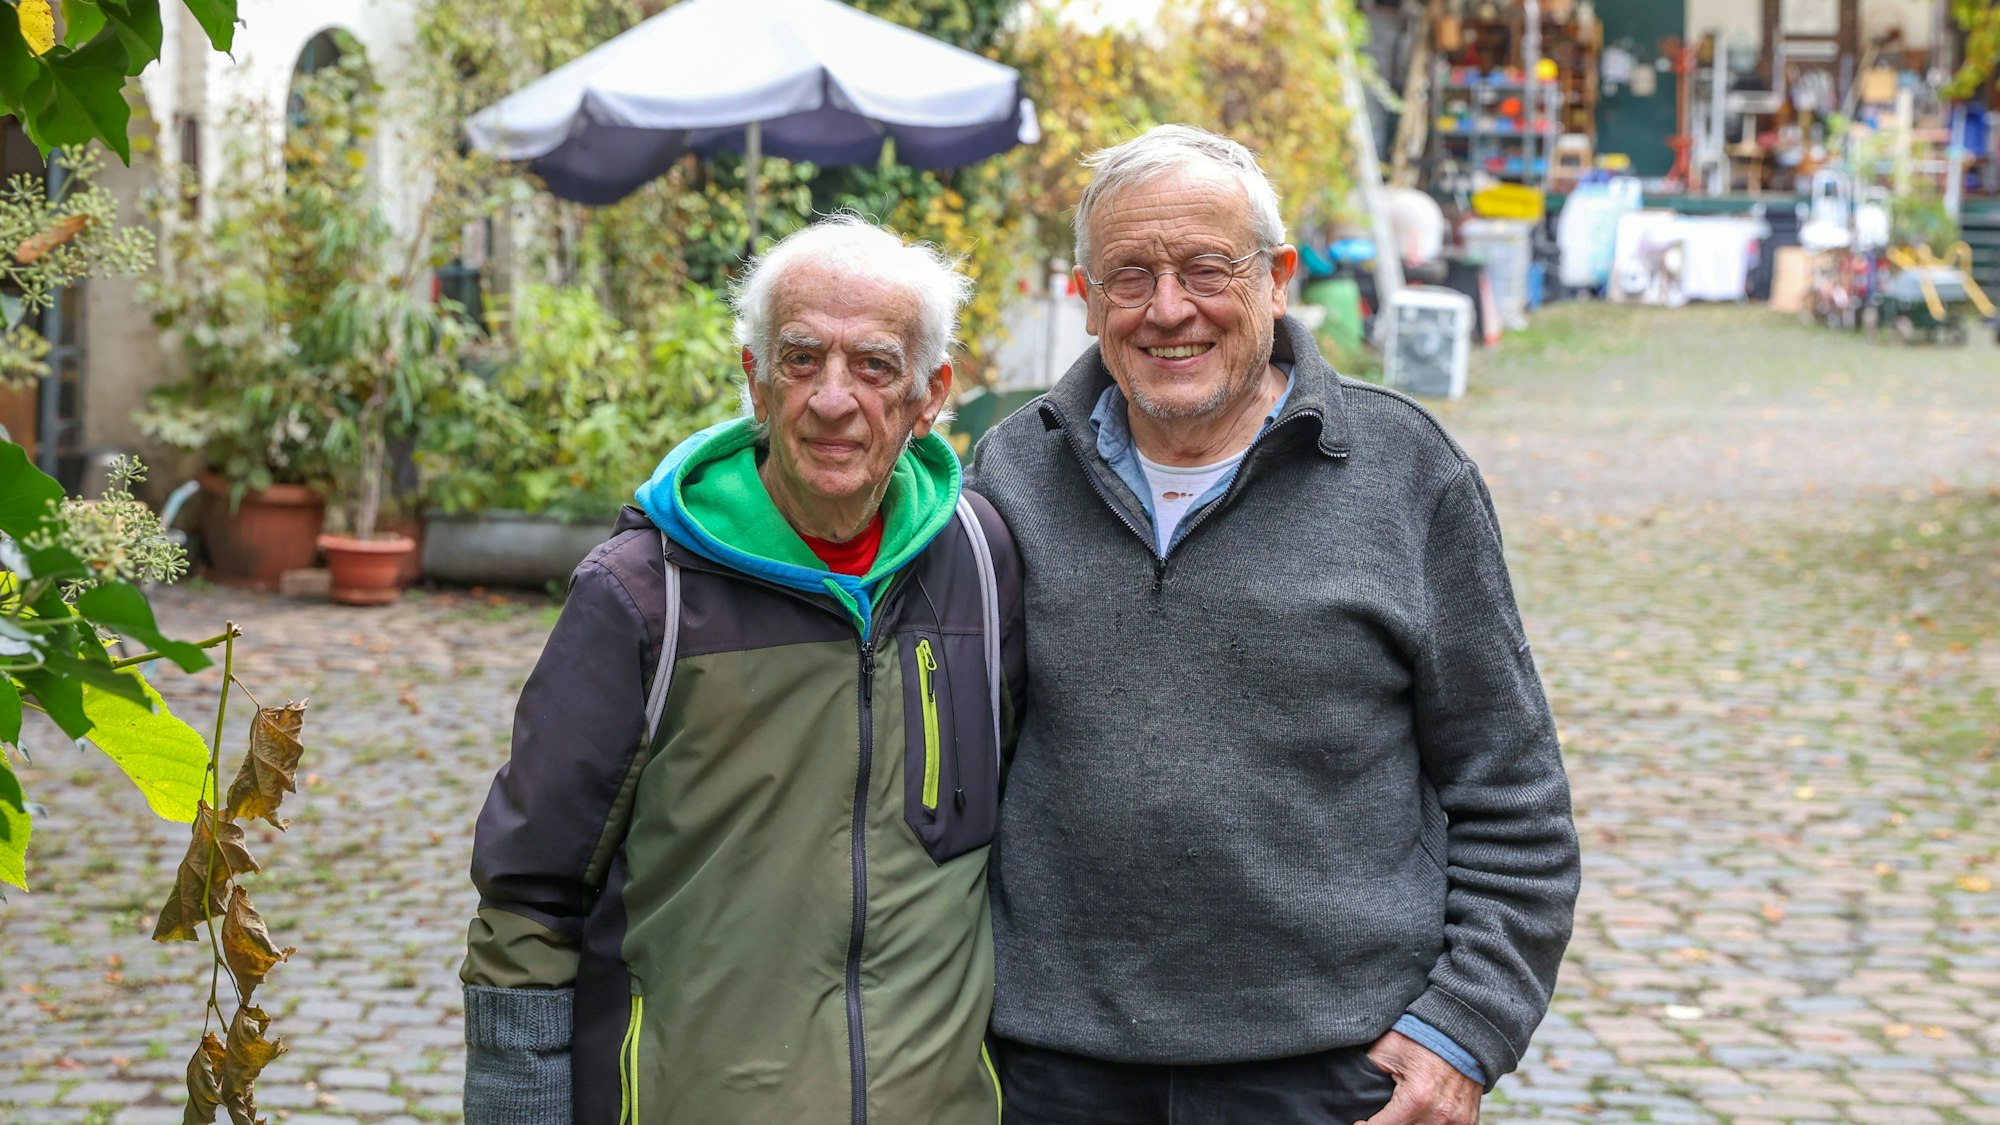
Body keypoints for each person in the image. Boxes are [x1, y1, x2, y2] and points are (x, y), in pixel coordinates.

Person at [967, 124, 1580, 1124]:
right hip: (1054, 1070)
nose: (1169, 309)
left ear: (1278, 278)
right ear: (1085, 297)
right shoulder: (1010, 474)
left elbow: (1513, 796)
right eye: (1130, 276)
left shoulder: (1405, 475)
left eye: (1207, 269)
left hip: (1328, 1070)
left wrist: (1462, 1029)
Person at [462, 215, 1025, 1125]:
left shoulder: (980, 561)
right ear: (756, 380)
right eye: (802, 359)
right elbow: (530, 893)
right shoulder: (643, 593)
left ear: (930, 396)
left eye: (874, 365)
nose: (833, 398)